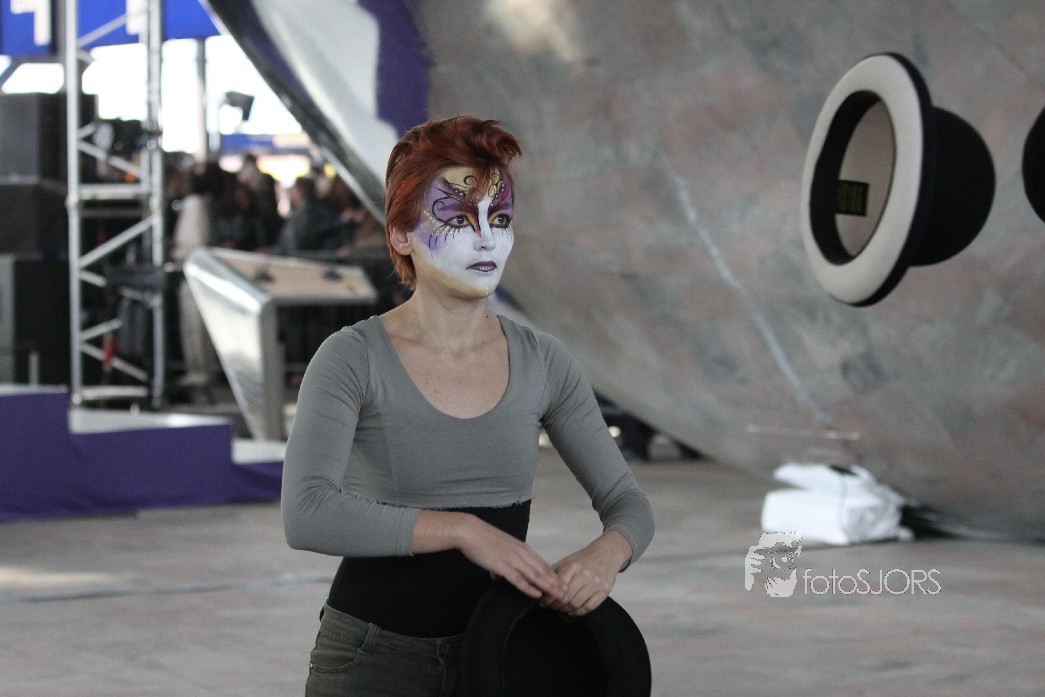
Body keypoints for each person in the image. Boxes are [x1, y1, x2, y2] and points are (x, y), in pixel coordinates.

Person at [281, 115, 655, 696]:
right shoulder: (351, 357)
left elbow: (628, 503)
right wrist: (463, 531)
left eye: (499, 219)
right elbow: (306, 512)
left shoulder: (543, 360)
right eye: (457, 219)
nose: (486, 238)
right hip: (373, 660)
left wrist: (607, 554)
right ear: (400, 236)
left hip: (505, 655)